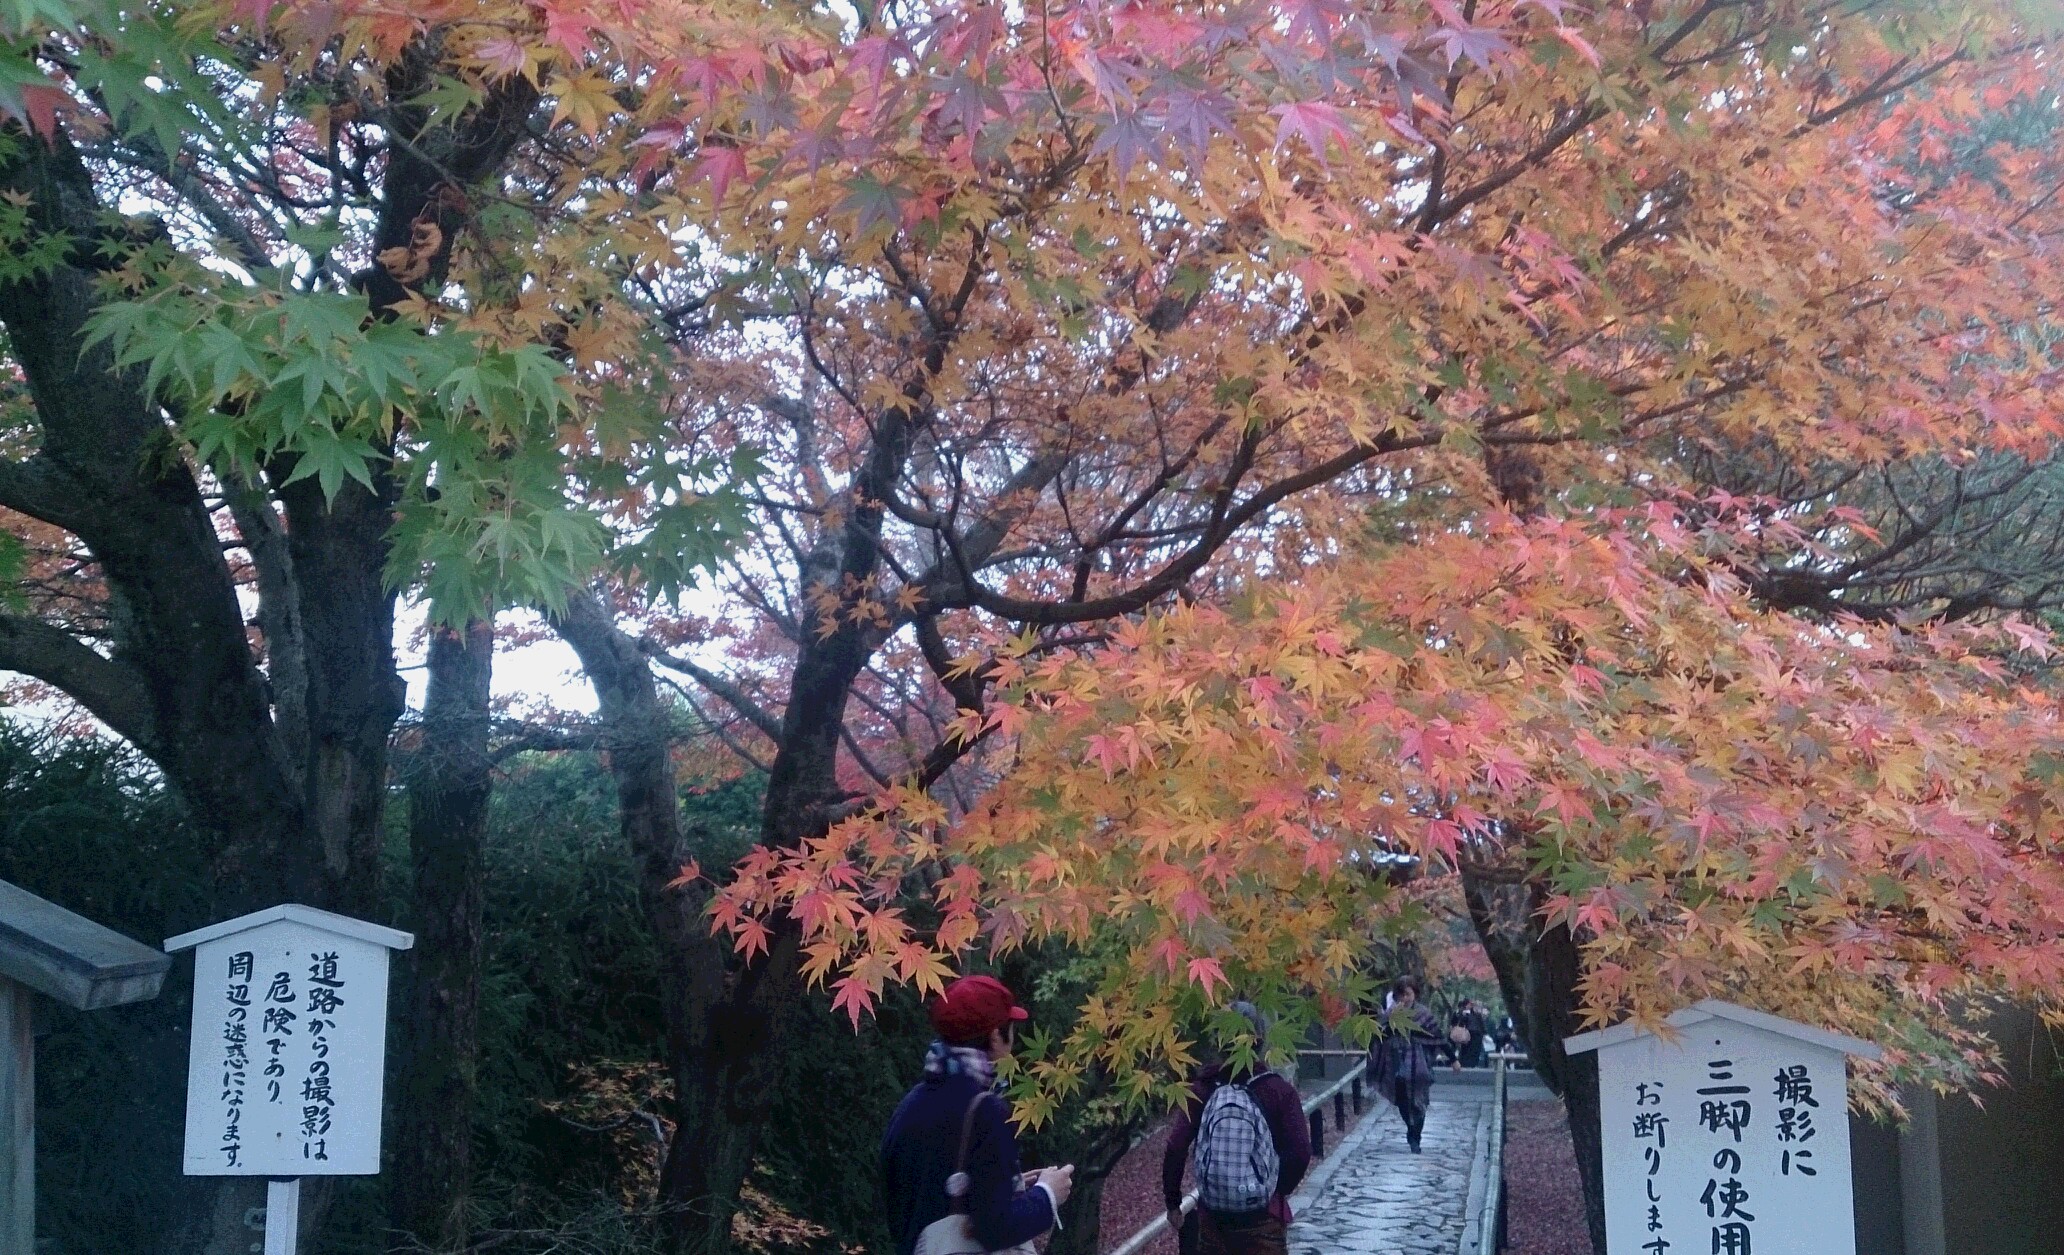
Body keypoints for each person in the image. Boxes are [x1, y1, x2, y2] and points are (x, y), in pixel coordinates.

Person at [882, 975, 1073, 1255]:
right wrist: (1047, 1195)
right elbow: (995, 1229)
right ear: (996, 1036)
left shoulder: (910, 1106)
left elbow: (923, 1199)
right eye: (1010, 1030)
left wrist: (1009, 1185)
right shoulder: (985, 1111)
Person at [1161, 1002, 1312, 1255]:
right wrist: (1272, 1190)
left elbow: (1176, 1147)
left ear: (1219, 1042)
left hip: (1214, 1218)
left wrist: (1173, 1202)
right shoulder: (1278, 1090)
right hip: (1264, 1221)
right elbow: (1300, 1153)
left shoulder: (1202, 1090)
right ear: (1260, 1040)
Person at [1370, 976, 1441, 1152]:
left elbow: (1437, 1036)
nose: (1405, 998)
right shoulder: (1391, 1013)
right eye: (1401, 995)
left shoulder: (1423, 1013)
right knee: (1402, 1098)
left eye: (1408, 994)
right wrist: (1391, 1023)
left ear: (1415, 993)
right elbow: (1379, 1035)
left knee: (1419, 1101)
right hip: (1395, 1060)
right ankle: (1410, 1127)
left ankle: (1416, 1135)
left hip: (1420, 1062)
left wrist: (1453, 1059)